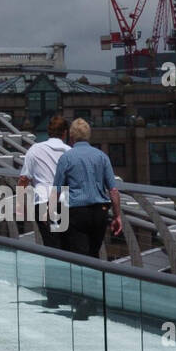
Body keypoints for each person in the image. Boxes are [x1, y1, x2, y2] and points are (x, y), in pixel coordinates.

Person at [51, 119, 122, 320]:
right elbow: (114, 190)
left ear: (71, 137)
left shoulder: (67, 157)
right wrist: (117, 216)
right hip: (100, 212)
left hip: (77, 212)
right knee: (93, 255)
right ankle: (93, 301)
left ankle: (83, 301)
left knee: (79, 257)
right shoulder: (102, 156)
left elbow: (57, 189)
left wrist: (51, 214)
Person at [19, 115, 70, 246]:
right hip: (65, 201)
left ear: (49, 131)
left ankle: (53, 265)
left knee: (50, 245)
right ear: (65, 133)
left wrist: (20, 205)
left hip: (42, 201)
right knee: (67, 246)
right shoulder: (70, 152)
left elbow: (24, 179)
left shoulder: (35, 150)